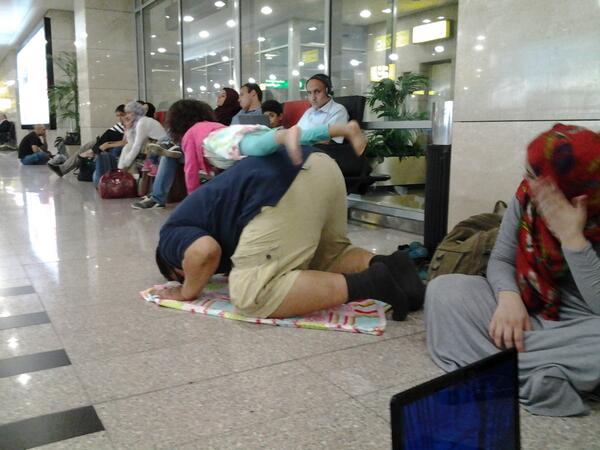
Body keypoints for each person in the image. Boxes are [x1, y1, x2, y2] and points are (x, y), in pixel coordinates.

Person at [425, 124, 600, 417]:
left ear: (572, 187)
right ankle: (543, 372)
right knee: (443, 290)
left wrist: (573, 239)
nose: (528, 182)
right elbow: (502, 259)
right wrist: (508, 298)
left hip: (582, 327)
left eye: (536, 176)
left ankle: (498, 366)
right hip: (527, 306)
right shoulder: (527, 197)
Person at [153, 145, 424, 321]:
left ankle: (371, 284)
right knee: (328, 256)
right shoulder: (201, 213)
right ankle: (393, 267)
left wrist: (187, 290)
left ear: (175, 267)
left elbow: (203, 253)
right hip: (322, 166)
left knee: (251, 293)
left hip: (283, 182)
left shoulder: (170, 236)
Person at [159, 99, 367, 196]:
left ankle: (287, 135)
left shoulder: (190, 135)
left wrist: (193, 196)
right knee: (302, 137)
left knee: (261, 146)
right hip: (241, 133)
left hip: (232, 141)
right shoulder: (212, 125)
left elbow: (190, 170)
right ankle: (345, 129)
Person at [48, 104, 126, 178]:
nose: (119, 118)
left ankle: (64, 168)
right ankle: (64, 168)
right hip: (102, 141)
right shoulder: (122, 124)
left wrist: (108, 144)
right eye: (118, 116)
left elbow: (124, 139)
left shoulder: (129, 124)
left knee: (87, 149)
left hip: (107, 142)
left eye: (122, 115)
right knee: (84, 148)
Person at [297, 74, 348, 143]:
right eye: (309, 93)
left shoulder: (338, 110)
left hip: (316, 149)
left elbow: (328, 142)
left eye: (317, 92)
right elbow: (296, 132)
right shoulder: (309, 111)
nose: (313, 98)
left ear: (327, 91)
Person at [118, 100, 167, 171]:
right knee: (127, 147)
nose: (127, 116)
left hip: (161, 145)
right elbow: (131, 143)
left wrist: (125, 164)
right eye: (126, 113)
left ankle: (123, 172)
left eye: (129, 113)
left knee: (128, 149)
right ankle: (124, 172)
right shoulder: (138, 122)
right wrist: (128, 129)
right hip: (152, 144)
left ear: (135, 112)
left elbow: (137, 145)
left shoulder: (142, 122)